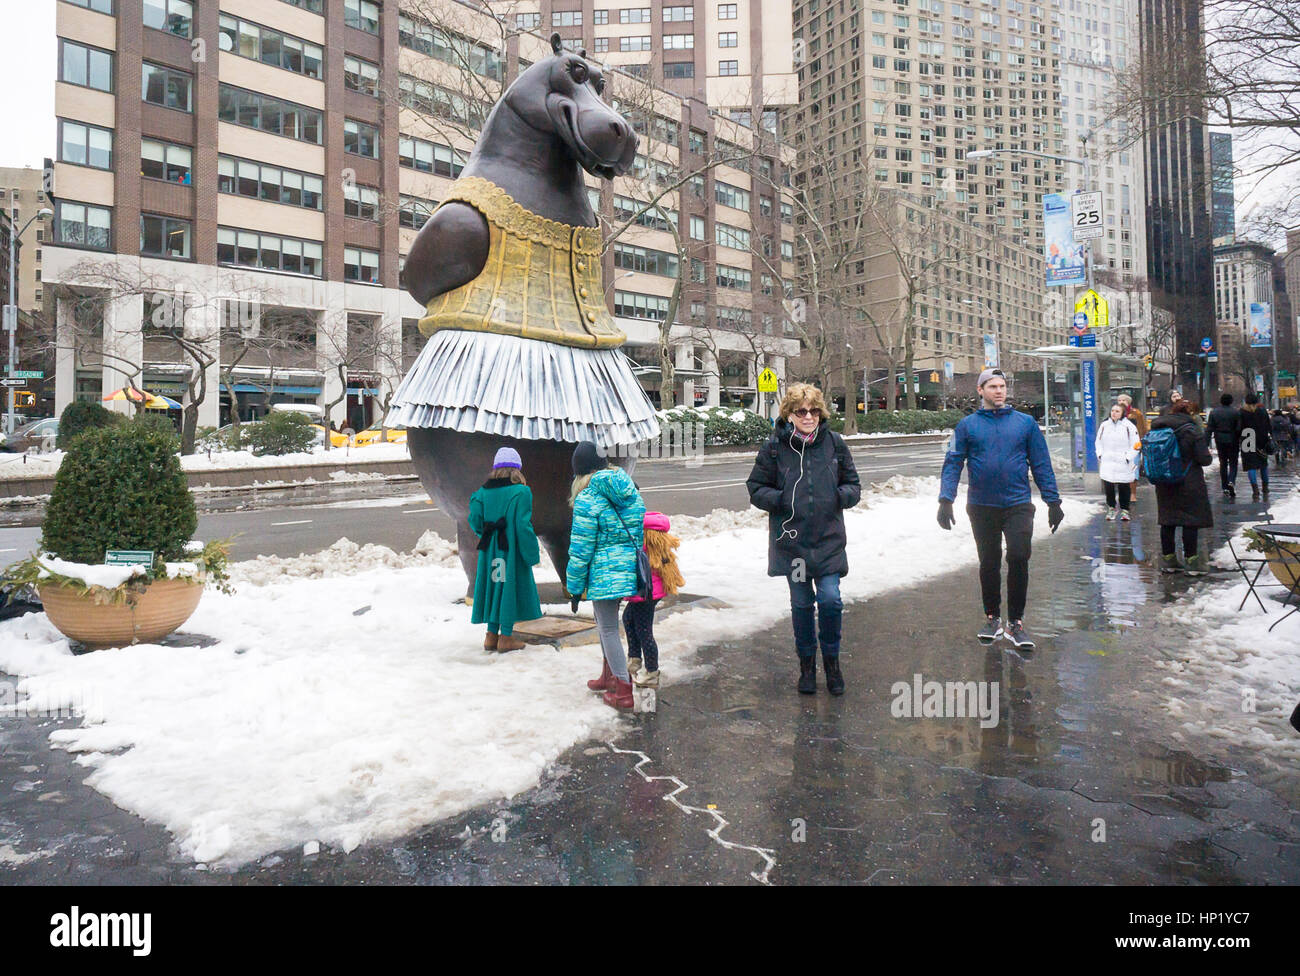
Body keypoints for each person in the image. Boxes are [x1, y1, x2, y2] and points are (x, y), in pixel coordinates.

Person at [746, 382, 861, 696]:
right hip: (793, 545)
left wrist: (839, 497)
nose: (808, 416)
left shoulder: (834, 444)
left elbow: (853, 484)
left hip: (827, 541)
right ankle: (807, 667)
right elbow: (756, 488)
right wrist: (782, 499)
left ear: (820, 412)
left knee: (830, 599)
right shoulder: (774, 447)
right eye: (801, 411)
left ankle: (833, 664)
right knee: (801, 604)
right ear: (790, 414)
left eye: (813, 411)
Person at [938, 368, 1064, 650]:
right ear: (980, 390)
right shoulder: (967, 426)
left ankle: (1016, 622)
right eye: (992, 386)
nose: (999, 391)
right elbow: (953, 462)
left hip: (1018, 503)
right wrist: (946, 499)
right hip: (982, 506)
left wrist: (1053, 502)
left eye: (1003, 386)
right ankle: (992, 617)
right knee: (990, 561)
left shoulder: (1025, 424)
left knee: (1019, 556)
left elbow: (1041, 463)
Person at [568, 441, 646, 710]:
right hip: (627, 570)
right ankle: (609, 676)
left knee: (609, 628)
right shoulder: (629, 490)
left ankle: (623, 689)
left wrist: (574, 588)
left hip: (603, 572)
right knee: (606, 625)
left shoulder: (587, 498)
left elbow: (580, 548)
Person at [468, 447, 542, 651]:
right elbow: (523, 526)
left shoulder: (482, 492)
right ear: (517, 469)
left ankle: (491, 635)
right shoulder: (521, 492)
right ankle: (506, 637)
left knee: (495, 584)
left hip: (490, 548)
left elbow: (474, 519)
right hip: (510, 549)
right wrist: (531, 553)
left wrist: (485, 533)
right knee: (508, 588)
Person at [1149, 400, 1213, 574]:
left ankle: (1169, 561)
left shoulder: (1157, 428)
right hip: (1188, 481)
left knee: (1167, 521)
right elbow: (1204, 459)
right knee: (1189, 521)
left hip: (1164, 481)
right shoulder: (1191, 430)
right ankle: (1192, 562)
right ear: (1190, 414)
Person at [624, 511, 683, 691]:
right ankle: (635, 659)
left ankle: (652, 672)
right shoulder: (654, 541)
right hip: (647, 592)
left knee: (644, 630)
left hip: (646, 593)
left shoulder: (645, 542)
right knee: (628, 619)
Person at [1095, 402, 1139, 520]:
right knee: (1108, 486)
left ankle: (1125, 510)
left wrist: (1128, 457)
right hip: (1108, 461)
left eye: (1117, 411)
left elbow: (1136, 444)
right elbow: (1098, 442)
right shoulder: (1104, 425)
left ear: (1122, 413)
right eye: (1113, 411)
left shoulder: (1129, 426)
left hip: (1123, 461)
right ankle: (1111, 508)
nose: (1114, 413)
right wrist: (1100, 455)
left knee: (1124, 486)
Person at [1206, 393, 1241, 498]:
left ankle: (1224, 486)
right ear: (1231, 401)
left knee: (1223, 463)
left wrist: (1206, 443)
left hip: (1220, 440)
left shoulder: (1214, 412)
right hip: (1233, 440)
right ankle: (1231, 481)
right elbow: (1239, 428)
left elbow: (1209, 429)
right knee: (1233, 462)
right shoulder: (1236, 412)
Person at [1239, 393, 1273, 500]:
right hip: (1262, 440)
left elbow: (1239, 428)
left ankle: (1255, 490)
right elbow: (1268, 425)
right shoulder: (1262, 411)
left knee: (1251, 466)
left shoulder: (1242, 413)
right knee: (1263, 464)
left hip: (1247, 440)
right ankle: (1265, 487)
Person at [1117, 393, 1149, 499]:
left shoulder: (1136, 414)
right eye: (1119, 400)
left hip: (1133, 446)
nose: (1121, 402)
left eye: (1124, 400)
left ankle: (1132, 493)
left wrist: (1142, 443)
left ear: (1129, 402)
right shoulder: (1115, 414)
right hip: (1119, 446)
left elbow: (1143, 429)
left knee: (1133, 469)